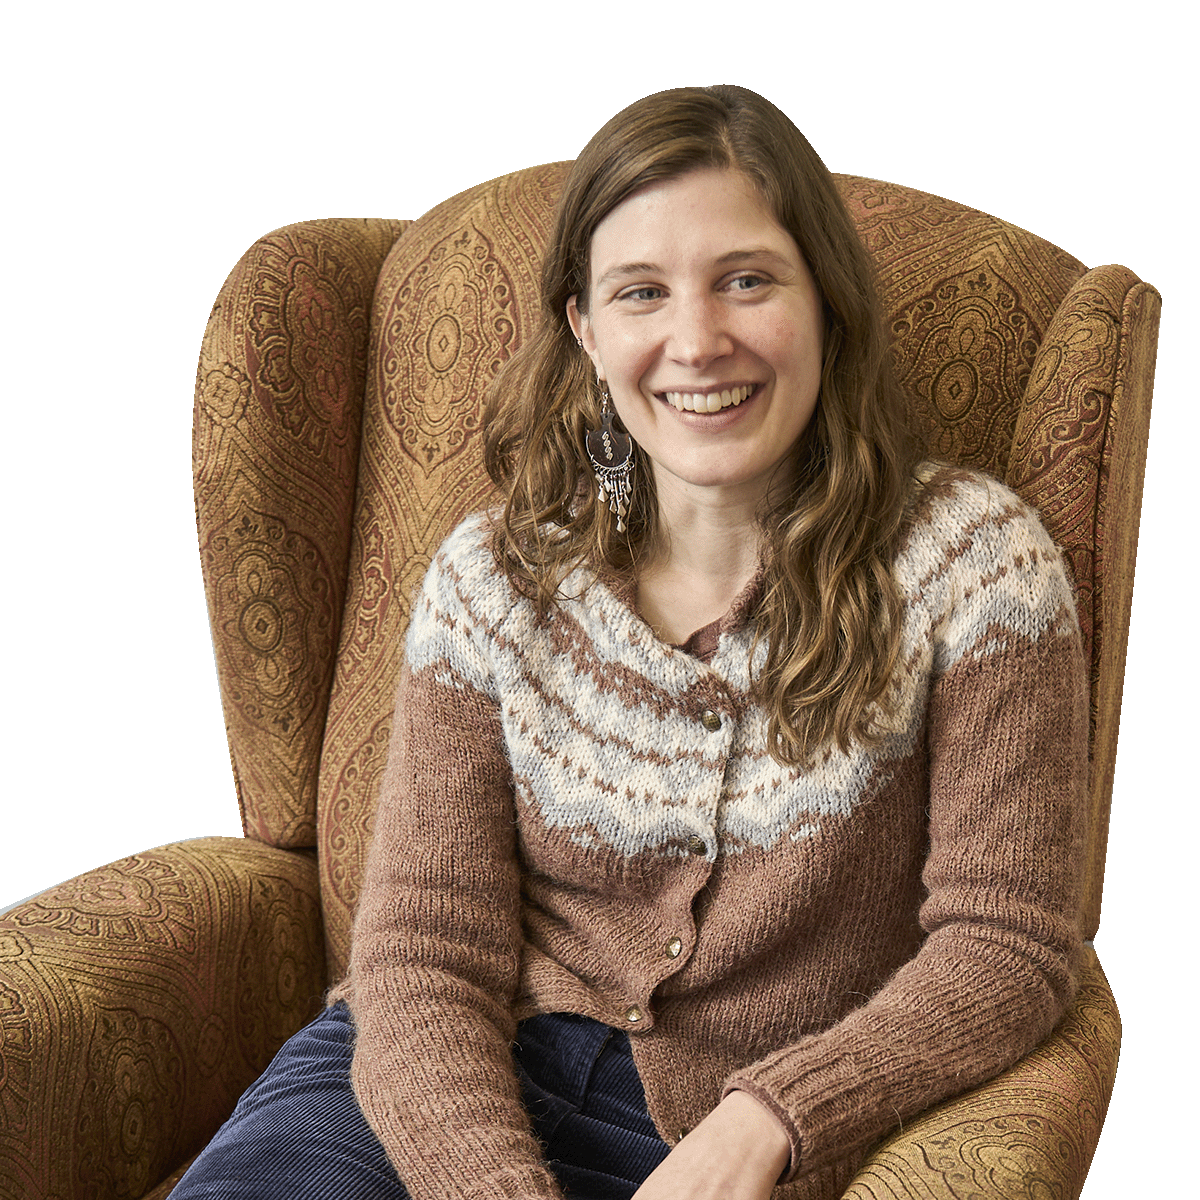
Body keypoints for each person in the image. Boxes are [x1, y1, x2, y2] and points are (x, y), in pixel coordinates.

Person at [174, 84, 1087, 1200]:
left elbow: (1009, 943)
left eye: (747, 280)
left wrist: (777, 1117)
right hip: (429, 1091)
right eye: (641, 293)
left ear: (827, 302)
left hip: (731, 1130)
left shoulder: (975, 565)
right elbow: (421, 959)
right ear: (586, 330)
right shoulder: (495, 580)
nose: (697, 342)